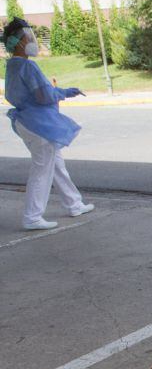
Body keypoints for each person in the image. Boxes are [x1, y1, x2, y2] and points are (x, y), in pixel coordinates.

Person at [3, 17, 94, 230]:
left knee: (56, 165)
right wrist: (64, 92)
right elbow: (43, 95)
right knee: (42, 170)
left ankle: (74, 203)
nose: (32, 41)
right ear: (19, 42)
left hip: (27, 122)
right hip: (39, 125)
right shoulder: (27, 66)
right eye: (28, 37)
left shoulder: (12, 66)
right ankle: (32, 217)